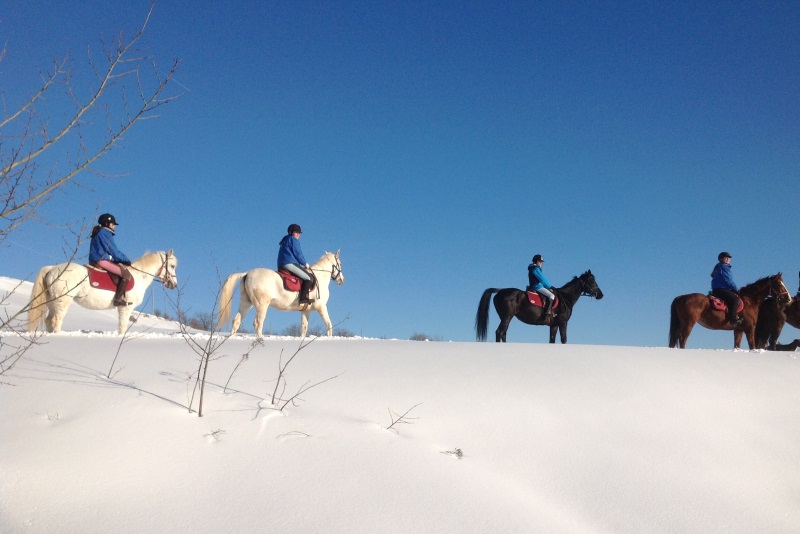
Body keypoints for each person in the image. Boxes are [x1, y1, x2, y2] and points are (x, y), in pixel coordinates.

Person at [89, 213, 133, 307]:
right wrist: (126, 260)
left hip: (96, 259)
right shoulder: (104, 232)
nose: (114, 226)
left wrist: (115, 259)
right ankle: (117, 299)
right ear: (107, 224)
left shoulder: (99, 231)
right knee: (126, 274)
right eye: (113, 224)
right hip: (100, 260)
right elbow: (113, 251)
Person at [278, 224, 315, 304]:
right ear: (291, 232)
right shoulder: (293, 239)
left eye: (299, 233)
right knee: (309, 278)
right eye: (296, 232)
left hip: (281, 264)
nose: (298, 234)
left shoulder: (284, 240)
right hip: (289, 263)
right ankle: (303, 298)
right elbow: (298, 253)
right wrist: (305, 263)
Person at [710, 251, 741, 325]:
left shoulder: (718, 267)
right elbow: (728, 280)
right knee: (735, 299)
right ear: (721, 259)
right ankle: (733, 319)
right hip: (721, 289)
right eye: (725, 258)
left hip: (717, 289)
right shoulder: (723, 267)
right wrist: (735, 289)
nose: (728, 259)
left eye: (729, 258)